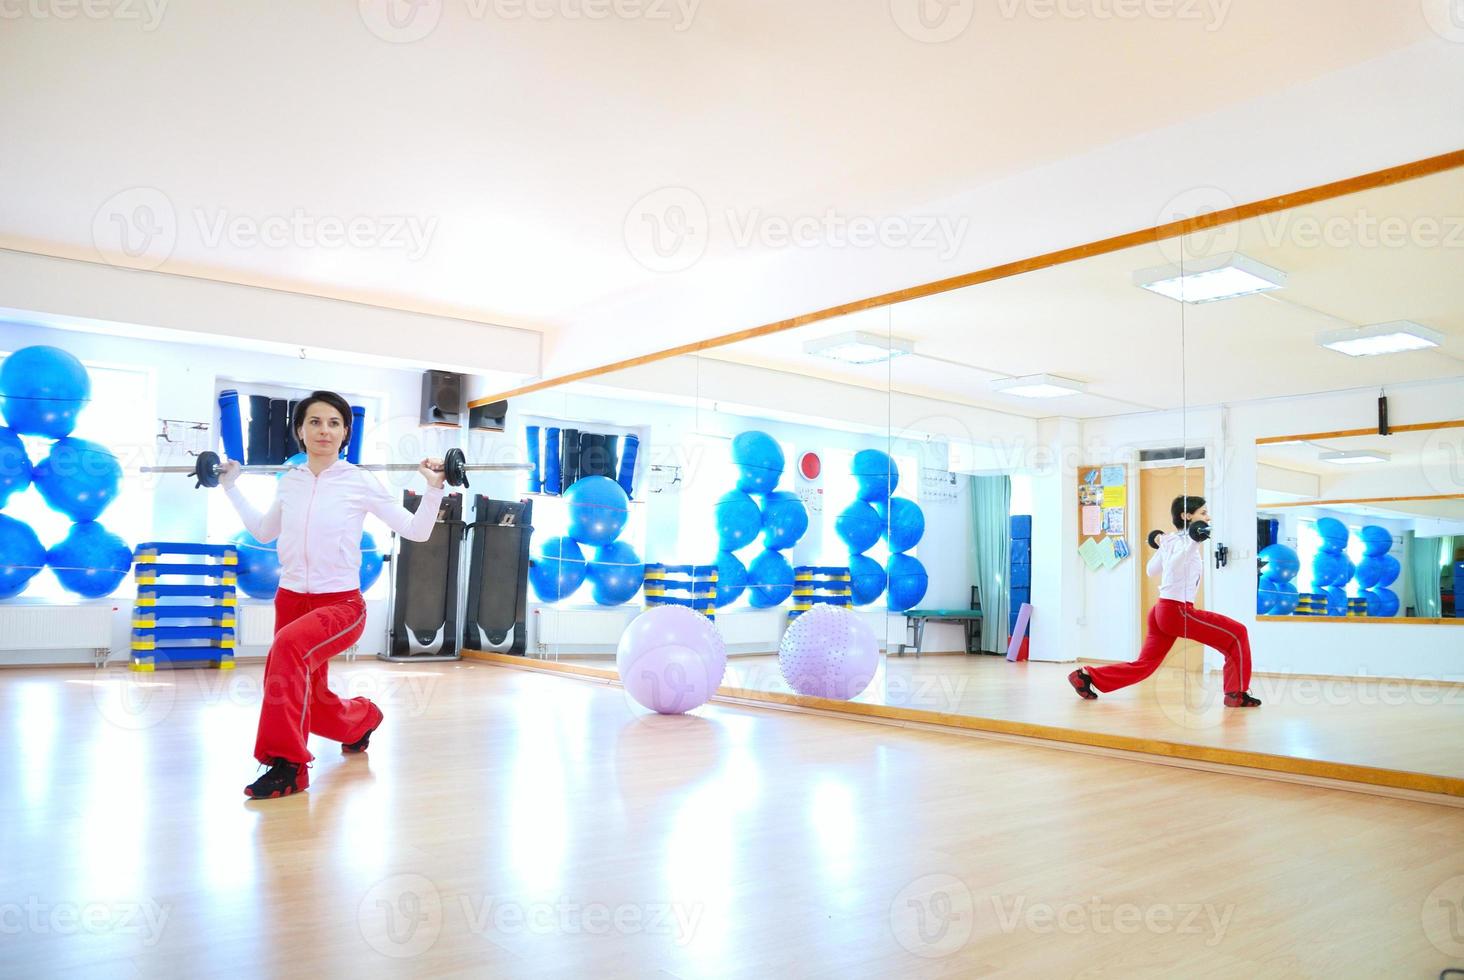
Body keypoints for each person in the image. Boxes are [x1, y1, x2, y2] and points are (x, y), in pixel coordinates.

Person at [220, 390, 448, 798]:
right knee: (311, 697)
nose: (324, 430)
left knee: (286, 652)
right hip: (290, 599)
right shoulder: (289, 482)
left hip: (340, 605)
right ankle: (361, 719)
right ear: (300, 431)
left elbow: (417, 531)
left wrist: (434, 490)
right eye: (314, 422)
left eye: (333, 423)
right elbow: (264, 531)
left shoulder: (360, 482)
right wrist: (232, 488)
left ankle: (287, 765)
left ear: (345, 433)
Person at [1068, 495, 1261, 708]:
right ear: (1187, 516)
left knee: (1145, 665)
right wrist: (1189, 544)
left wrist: (1166, 546)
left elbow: (1152, 571)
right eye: (1203, 513)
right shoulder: (1184, 543)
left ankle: (1086, 676)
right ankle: (1237, 694)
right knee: (1238, 633)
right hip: (1178, 612)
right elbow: (1167, 568)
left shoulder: (1172, 541)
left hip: (1162, 610)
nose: (1208, 517)